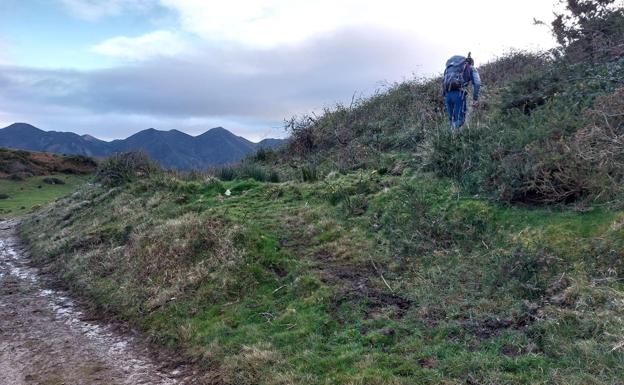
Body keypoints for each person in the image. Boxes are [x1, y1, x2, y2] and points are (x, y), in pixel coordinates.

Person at [442, 53, 481, 130]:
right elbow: (477, 83)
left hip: (448, 94)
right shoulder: (471, 68)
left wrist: (445, 96)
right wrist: (475, 98)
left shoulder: (449, 69)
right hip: (458, 95)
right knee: (460, 120)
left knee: (452, 120)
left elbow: (443, 81)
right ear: (471, 62)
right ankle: (448, 137)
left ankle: (449, 139)